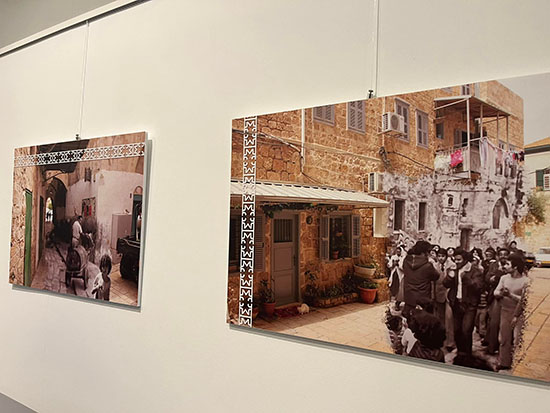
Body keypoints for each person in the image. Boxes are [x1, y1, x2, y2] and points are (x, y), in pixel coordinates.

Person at [443, 248, 484, 359]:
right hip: (456, 303)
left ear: (465, 260)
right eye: (455, 259)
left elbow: (479, 286)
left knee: (466, 330)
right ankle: (460, 353)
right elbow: (445, 284)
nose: (456, 262)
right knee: (457, 330)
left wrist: (467, 279)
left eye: (459, 260)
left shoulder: (474, 271)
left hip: (469, 305)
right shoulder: (454, 269)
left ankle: (467, 355)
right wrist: (450, 276)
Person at [493, 253, 529, 370]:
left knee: (517, 339)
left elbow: (525, 300)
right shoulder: (504, 278)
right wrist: (500, 293)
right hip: (505, 311)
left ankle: (518, 364)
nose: (505, 266)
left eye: (508, 264)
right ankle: (504, 362)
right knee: (504, 339)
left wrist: (510, 295)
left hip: (519, 314)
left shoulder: (525, 281)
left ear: (515, 267)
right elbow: (495, 292)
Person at [402, 241, 440, 317]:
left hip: (409, 295)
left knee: (410, 318)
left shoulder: (406, 261)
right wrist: (434, 263)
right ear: (424, 253)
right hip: (423, 297)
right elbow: (436, 276)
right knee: (424, 319)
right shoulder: (428, 265)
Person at [485, 247, 510, 353]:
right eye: (501, 254)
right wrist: (496, 276)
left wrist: (496, 277)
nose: (503, 256)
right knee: (493, 322)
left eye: (505, 254)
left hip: (508, 297)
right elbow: (488, 278)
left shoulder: (510, 265)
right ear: (498, 256)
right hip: (495, 296)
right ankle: (492, 346)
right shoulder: (494, 265)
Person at [432, 248, 448, 328]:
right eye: (439, 256)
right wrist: (433, 294)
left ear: (446, 256)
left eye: (443, 256)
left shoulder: (451, 265)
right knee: (439, 313)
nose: (441, 258)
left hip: (448, 293)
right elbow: (432, 282)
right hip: (438, 292)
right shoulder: (434, 266)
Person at [388, 246, 405, 310]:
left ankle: (398, 300)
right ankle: (393, 298)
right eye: (397, 251)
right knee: (393, 285)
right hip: (394, 272)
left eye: (399, 251)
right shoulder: (393, 257)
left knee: (399, 286)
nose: (398, 252)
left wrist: (398, 264)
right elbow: (389, 265)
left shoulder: (403, 258)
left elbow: (403, 267)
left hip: (400, 274)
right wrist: (392, 263)